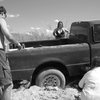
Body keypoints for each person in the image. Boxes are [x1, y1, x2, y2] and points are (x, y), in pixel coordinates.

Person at [0, 6, 22, 100]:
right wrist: (17, 44)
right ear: (3, 13)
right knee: (8, 84)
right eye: (5, 16)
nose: (5, 18)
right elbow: (8, 35)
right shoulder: (1, 19)